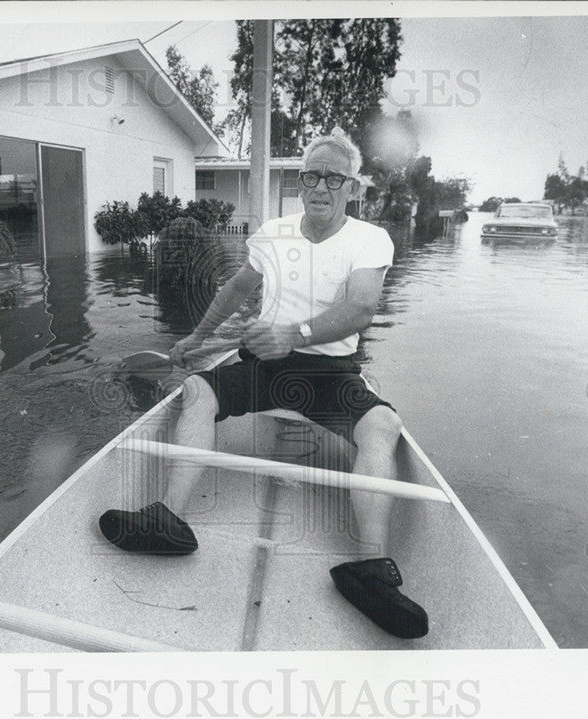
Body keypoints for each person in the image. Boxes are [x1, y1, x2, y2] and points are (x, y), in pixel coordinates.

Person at [100, 128, 428, 639]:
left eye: (333, 178)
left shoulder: (370, 240)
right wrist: (196, 336)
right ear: (300, 182)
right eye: (311, 176)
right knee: (197, 391)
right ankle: (168, 519)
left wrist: (292, 334)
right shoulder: (274, 233)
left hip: (327, 373)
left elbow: (361, 308)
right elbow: (236, 288)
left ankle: (372, 570)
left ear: (351, 188)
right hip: (263, 364)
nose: (320, 187)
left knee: (382, 425)